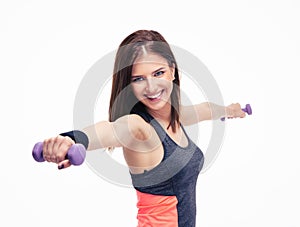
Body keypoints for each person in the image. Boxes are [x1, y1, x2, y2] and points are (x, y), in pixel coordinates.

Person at [41, 30, 246, 227]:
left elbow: (205, 110)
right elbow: (109, 130)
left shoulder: (174, 115)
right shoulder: (140, 127)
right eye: (138, 79)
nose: (151, 87)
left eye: (158, 73)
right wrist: (70, 140)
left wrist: (230, 110)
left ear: (172, 71)